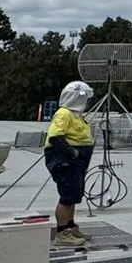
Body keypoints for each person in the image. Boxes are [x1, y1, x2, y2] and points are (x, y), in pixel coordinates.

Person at [45, 80, 96, 245]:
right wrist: (72, 153)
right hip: (66, 162)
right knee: (67, 197)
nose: (86, 102)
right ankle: (62, 233)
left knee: (73, 195)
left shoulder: (76, 115)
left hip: (76, 163)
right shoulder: (64, 114)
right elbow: (55, 137)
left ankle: (70, 227)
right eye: (84, 99)